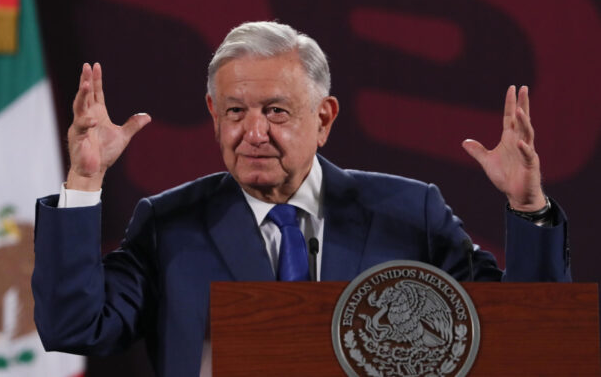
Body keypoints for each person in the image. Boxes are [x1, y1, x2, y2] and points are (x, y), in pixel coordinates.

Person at [31, 21, 570, 376]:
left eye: (276, 111)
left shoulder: (411, 213)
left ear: (324, 119)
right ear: (214, 118)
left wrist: (528, 208)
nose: (253, 132)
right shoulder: (169, 224)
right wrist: (83, 182)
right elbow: (74, 326)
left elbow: (525, 336)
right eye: (235, 112)